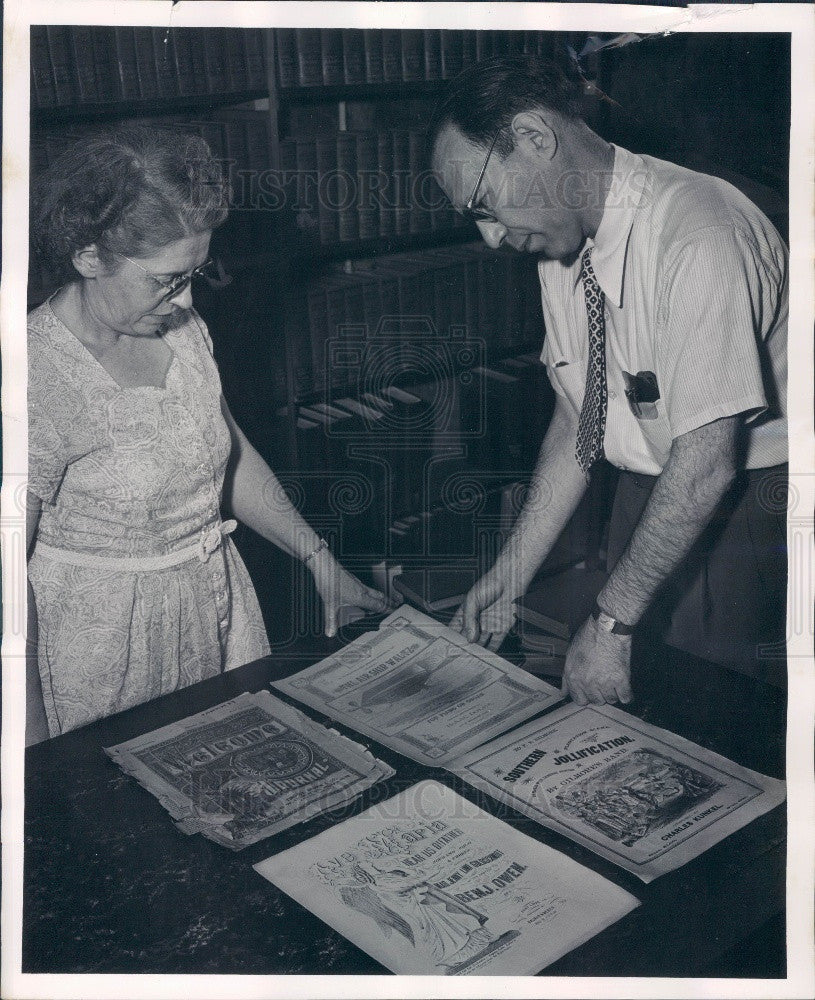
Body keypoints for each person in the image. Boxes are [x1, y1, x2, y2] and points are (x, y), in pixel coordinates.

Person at [429, 56, 788, 716]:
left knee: (705, 718)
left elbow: (706, 465)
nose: (488, 238)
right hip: (649, 491)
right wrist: (509, 574)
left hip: (743, 510)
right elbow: (578, 419)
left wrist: (611, 623)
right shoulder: (562, 239)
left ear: (536, 139)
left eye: (483, 206)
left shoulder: (699, 232)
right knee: (625, 700)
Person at [26, 123, 392, 742]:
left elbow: (220, 452)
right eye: (166, 278)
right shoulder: (35, 374)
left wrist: (324, 566)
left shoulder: (180, 328)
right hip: (102, 649)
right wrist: (30, 747)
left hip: (214, 609)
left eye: (196, 271)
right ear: (88, 255)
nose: (187, 296)